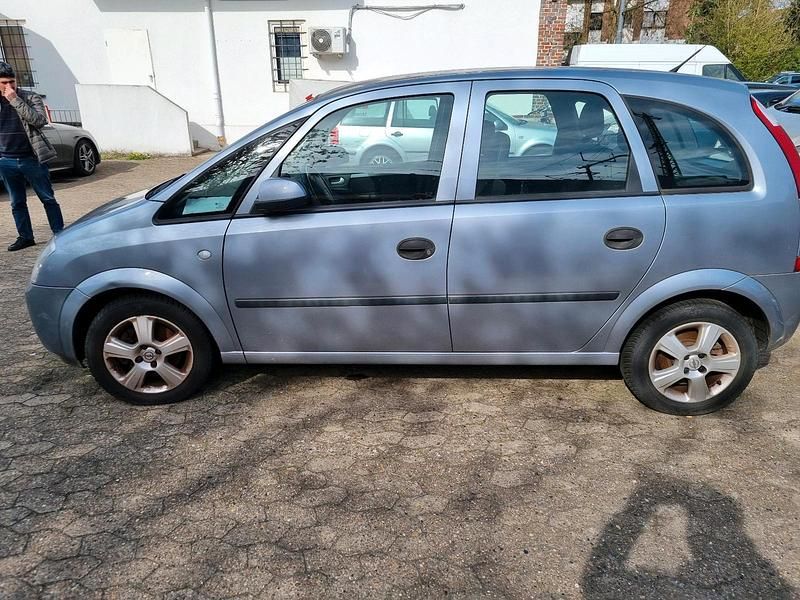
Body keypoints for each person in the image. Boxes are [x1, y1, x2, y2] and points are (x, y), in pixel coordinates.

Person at [0, 61, 63, 251]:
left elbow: (38, 120)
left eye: (12, 82)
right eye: (4, 83)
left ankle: (60, 234)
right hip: (6, 160)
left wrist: (14, 100)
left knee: (48, 198)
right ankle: (25, 237)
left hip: (31, 158)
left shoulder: (29, 97)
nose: (9, 86)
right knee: (17, 202)